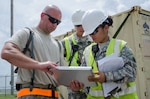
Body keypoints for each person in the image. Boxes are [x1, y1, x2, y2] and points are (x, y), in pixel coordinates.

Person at [69, 9, 138, 99]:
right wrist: (77, 88)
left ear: (106, 27)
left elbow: (132, 73)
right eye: (89, 33)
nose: (92, 36)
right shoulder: (87, 51)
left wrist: (106, 77)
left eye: (94, 32)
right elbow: (85, 83)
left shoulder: (121, 47)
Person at [1, 4, 66, 99]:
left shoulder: (58, 44)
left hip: (54, 95)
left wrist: (73, 84)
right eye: (52, 20)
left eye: (58, 22)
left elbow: (62, 75)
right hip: (31, 94)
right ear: (42, 15)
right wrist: (39, 65)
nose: (55, 24)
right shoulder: (28, 33)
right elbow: (6, 52)